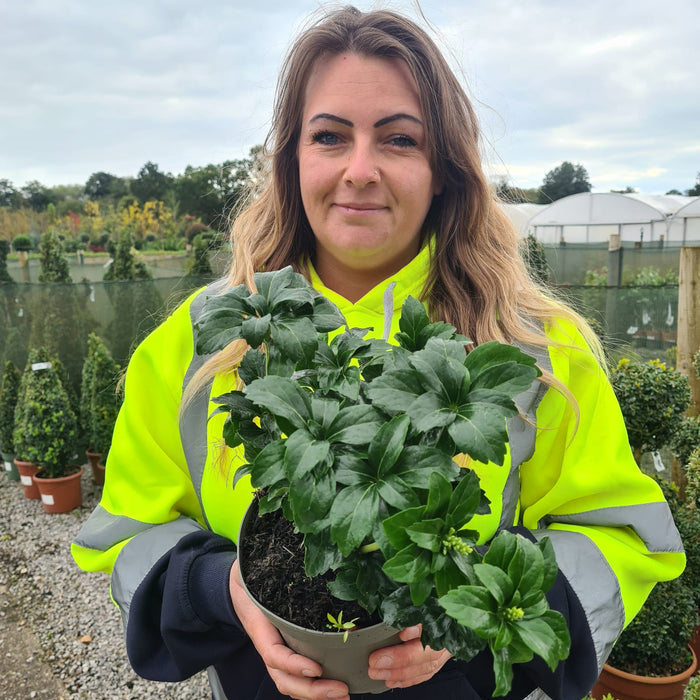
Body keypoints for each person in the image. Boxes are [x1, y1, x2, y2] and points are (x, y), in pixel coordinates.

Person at [71, 6, 685, 700]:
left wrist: (474, 622)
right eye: (330, 136)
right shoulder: (202, 337)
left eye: (398, 139)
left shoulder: (537, 348)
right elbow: (128, 533)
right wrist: (223, 588)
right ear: (291, 160)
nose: (360, 170)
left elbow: (620, 541)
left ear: (445, 168)